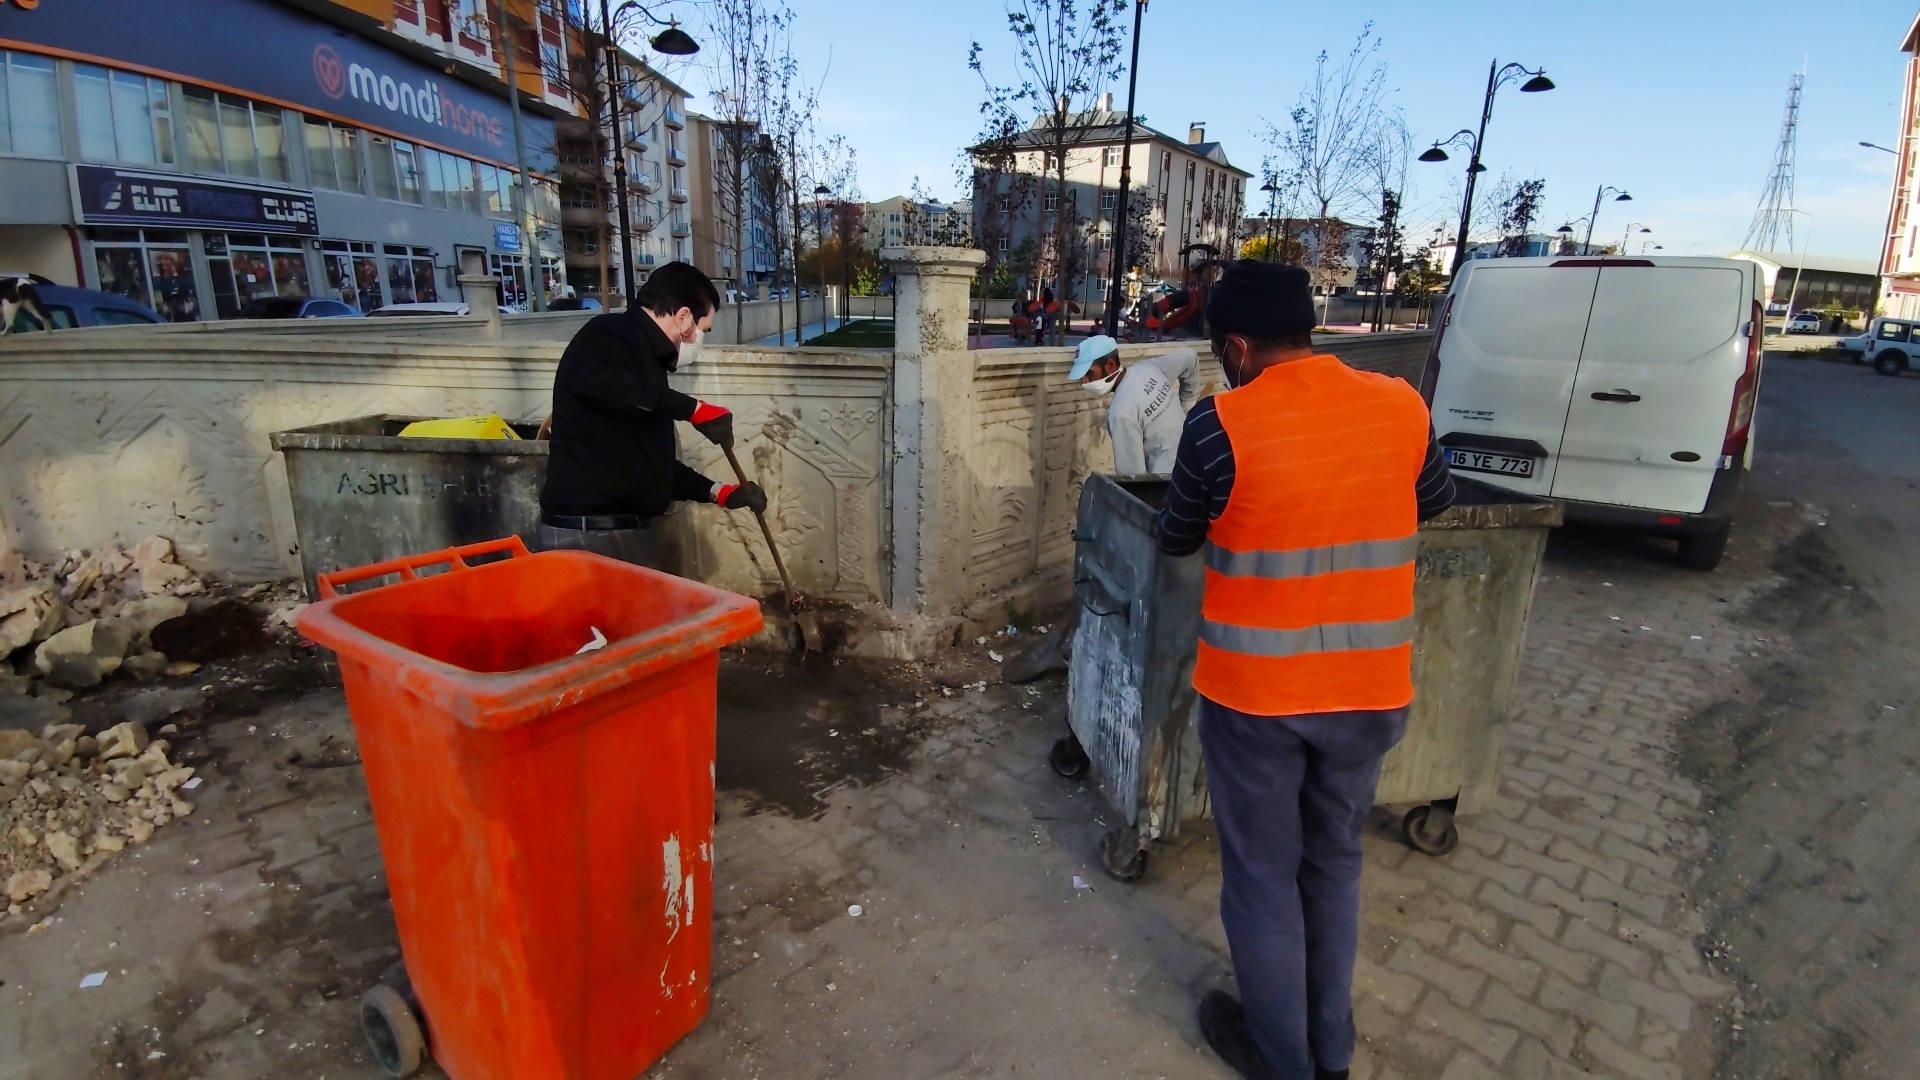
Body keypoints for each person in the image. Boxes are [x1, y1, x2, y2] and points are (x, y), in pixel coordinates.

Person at [1154, 261, 1455, 1080]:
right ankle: (1332, 1053)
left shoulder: (1220, 425)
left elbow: (1175, 535)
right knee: (1334, 862)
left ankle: (1282, 1059)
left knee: (1261, 877)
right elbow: (1435, 497)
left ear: (1240, 346)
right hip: (1369, 692)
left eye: (1223, 351)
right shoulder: (1401, 403)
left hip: (1258, 700)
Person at [538, 261, 767, 568]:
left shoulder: (645, 361)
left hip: (616, 532)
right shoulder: (609, 334)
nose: (698, 340)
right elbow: (600, 384)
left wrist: (719, 492)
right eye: (701, 330)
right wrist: (693, 410)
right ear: (683, 316)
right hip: (586, 535)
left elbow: (644, 460)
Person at [1069, 334, 1199, 475]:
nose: (1084, 382)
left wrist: (1187, 406)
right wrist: (1188, 406)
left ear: (1110, 365)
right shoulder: (1148, 369)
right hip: (1194, 460)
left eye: (1089, 373)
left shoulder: (1120, 413)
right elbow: (1189, 356)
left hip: (1168, 483)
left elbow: (1133, 478)